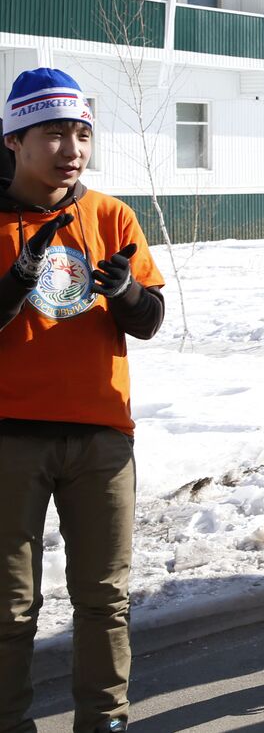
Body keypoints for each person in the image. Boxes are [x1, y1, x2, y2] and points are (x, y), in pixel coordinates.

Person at [0, 68, 165, 733]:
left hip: (101, 437)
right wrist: (14, 281)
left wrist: (126, 291)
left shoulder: (110, 216)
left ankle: (106, 720)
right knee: (9, 605)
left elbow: (149, 318)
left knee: (104, 597)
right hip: (11, 437)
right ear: (14, 140)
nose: (71, 148)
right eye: (54, 133)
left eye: (81, 133)